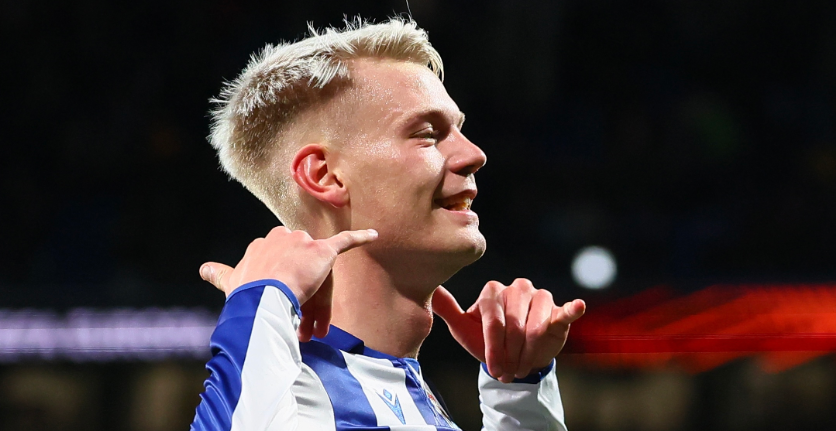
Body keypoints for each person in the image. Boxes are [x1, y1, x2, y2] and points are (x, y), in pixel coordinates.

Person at [190, 17, 585, 431]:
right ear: (325, 176)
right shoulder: (296, 401)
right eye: (428, 133)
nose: (474, 154)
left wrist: (520, 394)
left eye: (459, 130)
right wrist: (260, 301)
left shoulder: (409, 398)